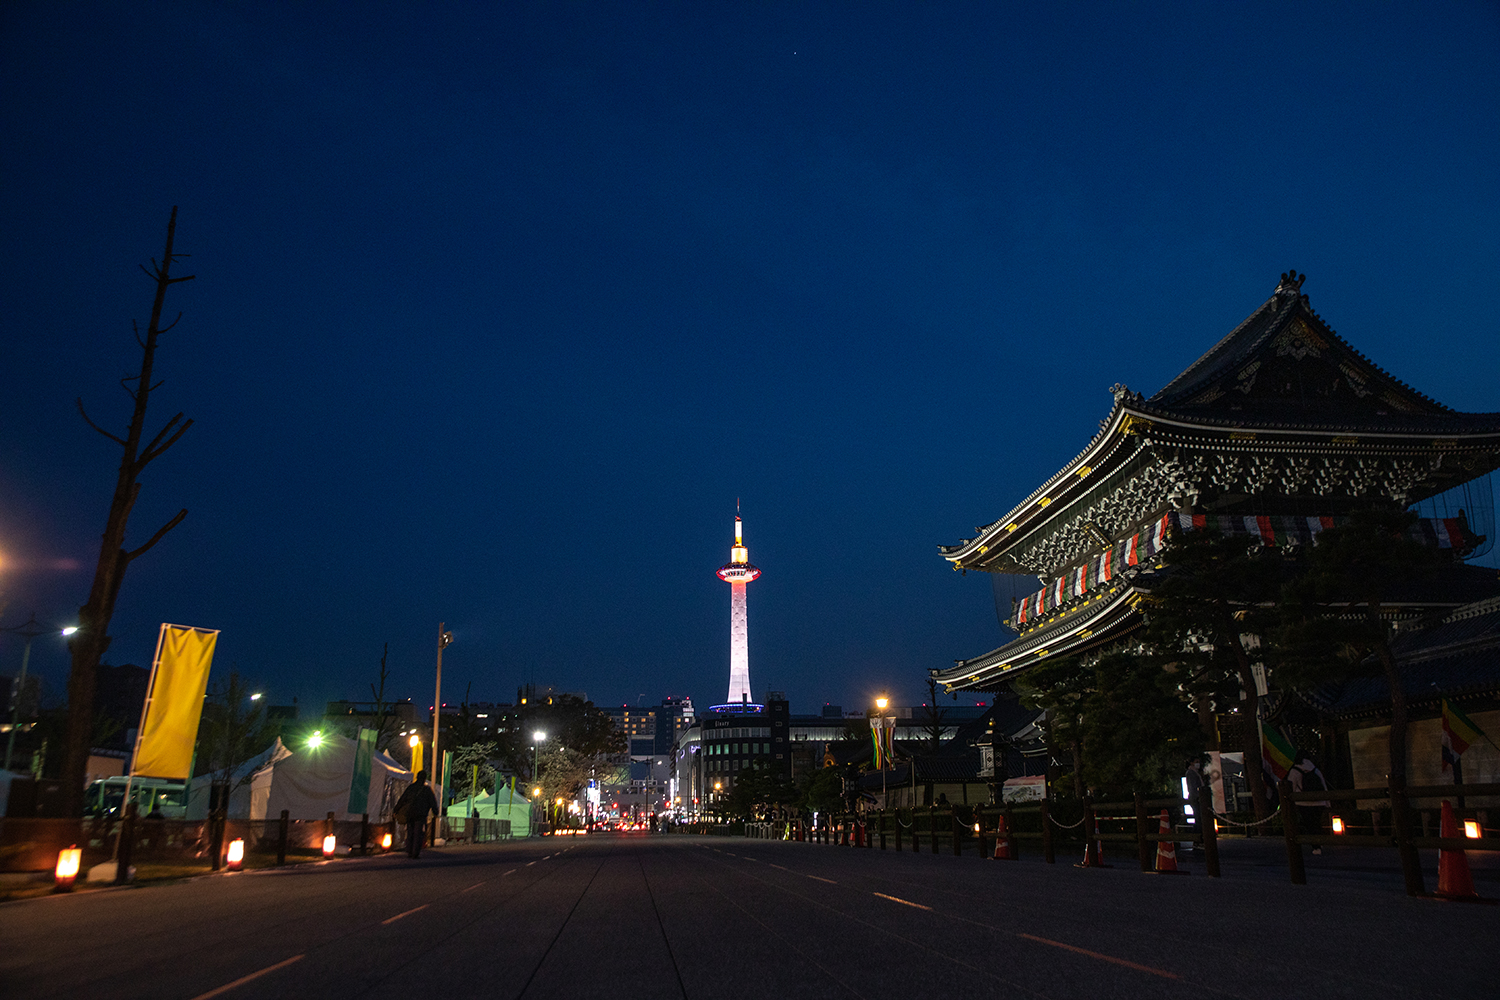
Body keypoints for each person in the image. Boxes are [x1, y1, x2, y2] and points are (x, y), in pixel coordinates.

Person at [1289, 756, 1330, 854]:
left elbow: (1291, 787)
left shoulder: (1295, 771)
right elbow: (1323, 785)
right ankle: (1319, 843)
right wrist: (1327, 801)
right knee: (1317, 823)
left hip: (1303, 802)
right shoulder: (1315, 769)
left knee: (1310, 825)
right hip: (1319, 801)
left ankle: (1316, 847)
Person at [394, 770, 439, 859]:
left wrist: (396, 810)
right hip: (421, 815)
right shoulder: (427, 790)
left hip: (410, 814)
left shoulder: (411, 788)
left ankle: (409, 850)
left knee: (410, 832)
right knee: (418, 834)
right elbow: (432, 802)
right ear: (424, 778)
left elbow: (403, 799)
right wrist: (435, 812)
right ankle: (415, 852)